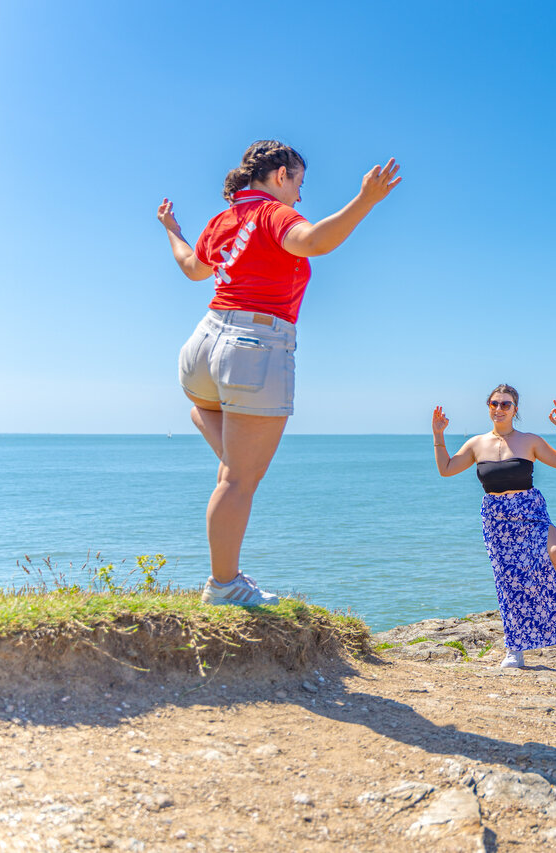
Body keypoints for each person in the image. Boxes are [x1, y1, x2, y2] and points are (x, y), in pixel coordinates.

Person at [158, 140, 401, 606]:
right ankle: (223, 586)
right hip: (253, 349)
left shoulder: (223, 219)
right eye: (299, 184)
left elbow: (192, 269)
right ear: (280, 175)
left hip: (202, 348)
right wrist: (366, 199)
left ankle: (227, 456)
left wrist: (172, 230)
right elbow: (314, 242)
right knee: (238, 480)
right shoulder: (273, 214)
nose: (300, 197)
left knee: (230, 456)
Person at [431, 385, 556, 668]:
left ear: (515, 409)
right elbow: (446, 469)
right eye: (495, 403)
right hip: (497, 518)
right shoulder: (477, 444)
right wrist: (438, 435)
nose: (499, 409)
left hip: (530, 509)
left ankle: (540, 590)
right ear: (489, 406)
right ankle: (515, 649)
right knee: (508, 582)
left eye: (506, 404)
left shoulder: (530, 441)